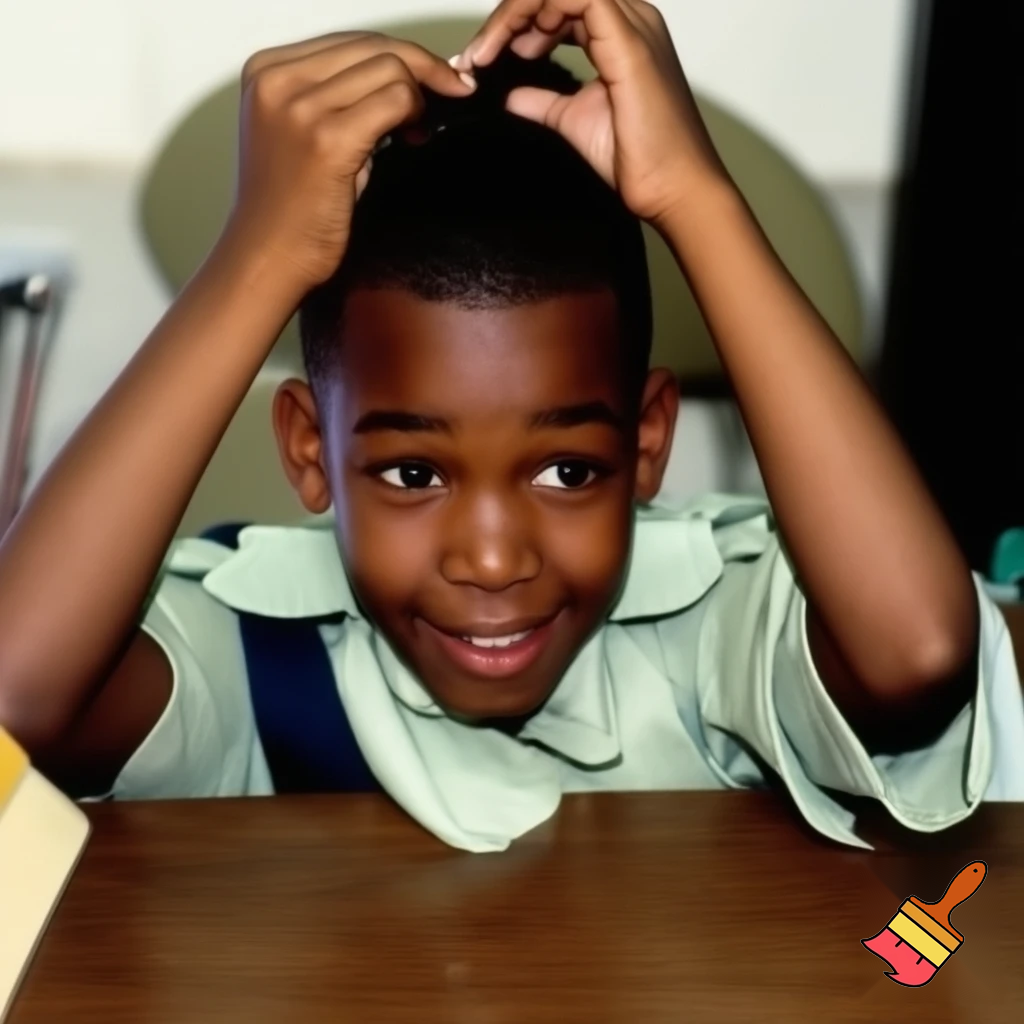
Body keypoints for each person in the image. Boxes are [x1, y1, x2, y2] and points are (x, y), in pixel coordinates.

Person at [0, 0, 1007, 852]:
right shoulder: (257, 651)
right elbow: (16, 696)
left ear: (647, 442)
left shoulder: (707, 626)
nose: (491, 559)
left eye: (567, 470)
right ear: (310, 448)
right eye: (413, 474)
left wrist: (693, 197)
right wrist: (256, 259)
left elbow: (915, 652)